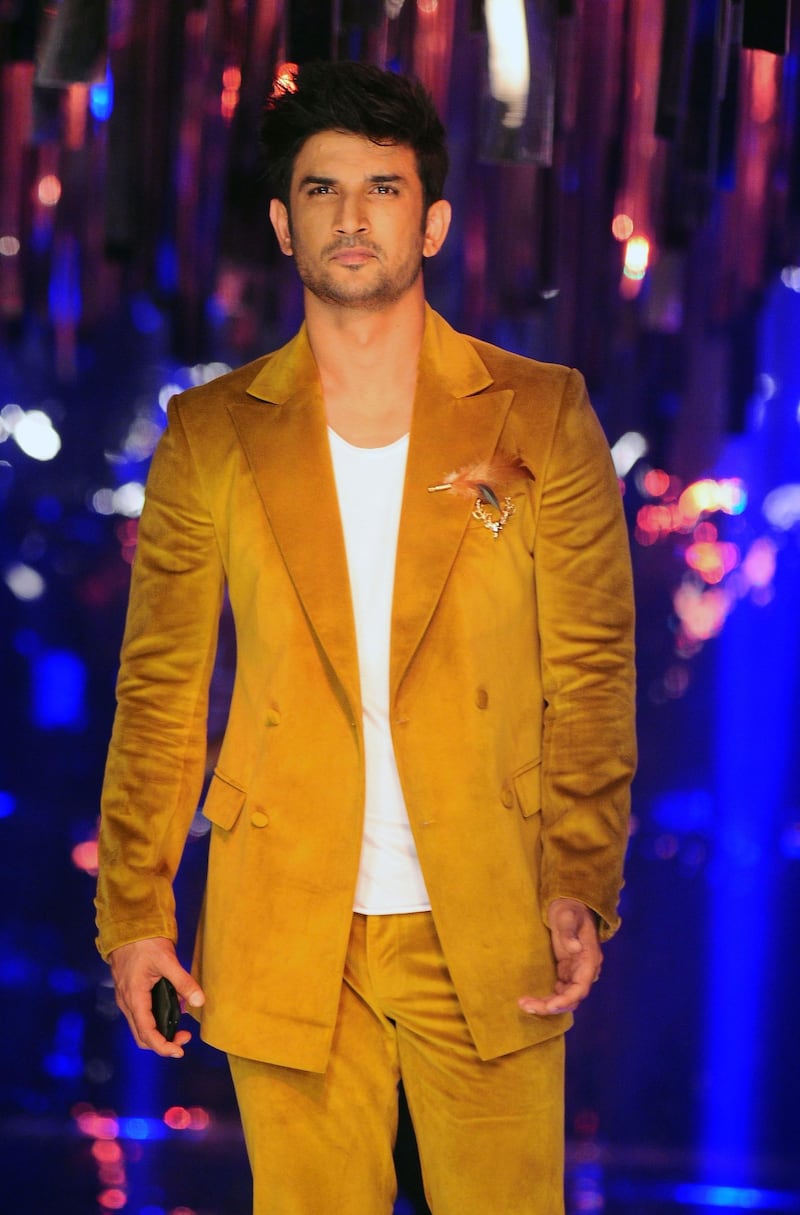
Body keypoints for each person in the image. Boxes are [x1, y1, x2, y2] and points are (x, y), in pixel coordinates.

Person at [96, 59, 636, 1215]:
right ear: (284, 223)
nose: (353, 215)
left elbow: (588, 670)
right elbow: (161, 687)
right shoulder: (210, 434)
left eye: (382, 188)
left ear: (431, 219)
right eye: (324, 189)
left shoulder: (541, 412)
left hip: (487, 915)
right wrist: (136, 916)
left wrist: (578, 881)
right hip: (286, 918)